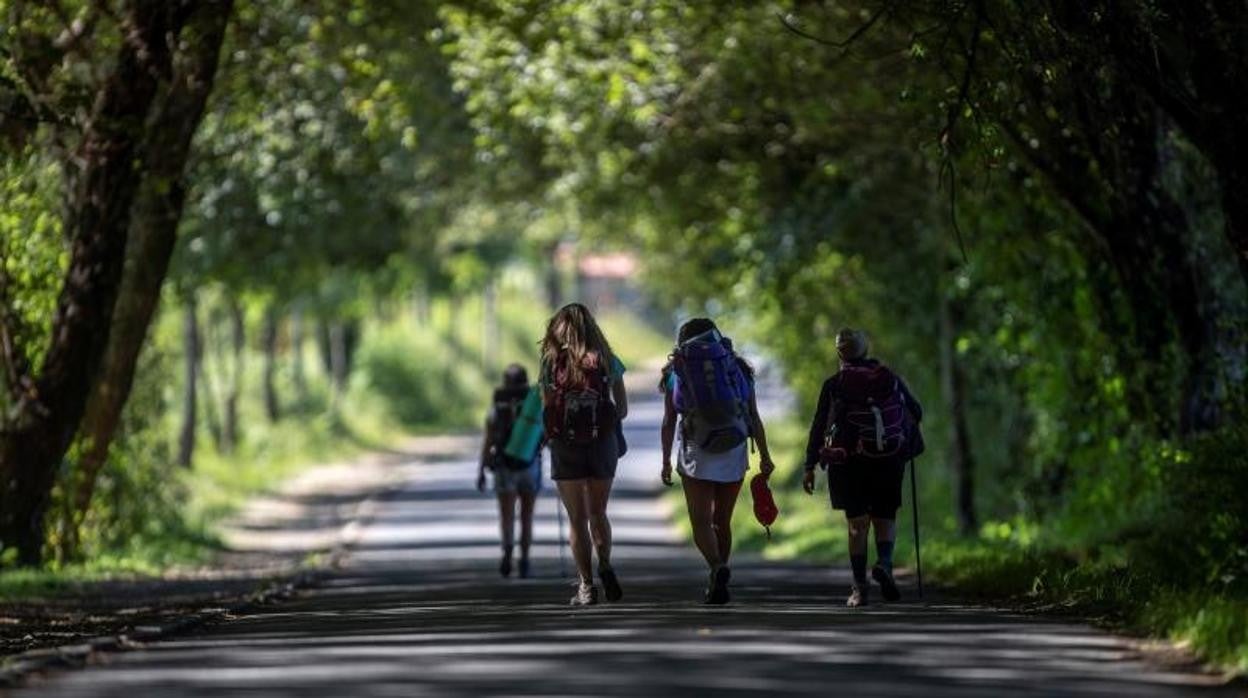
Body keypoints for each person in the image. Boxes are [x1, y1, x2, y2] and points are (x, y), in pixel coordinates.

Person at [802, 328, 922, 607]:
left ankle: (859, 588)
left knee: (857, 525)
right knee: (885, 517)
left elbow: (819, 426)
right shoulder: (888, 378)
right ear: (865, 351)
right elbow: (917, 412)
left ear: (839, 353)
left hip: (848, 461)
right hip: (888, 457)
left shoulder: (834, 384)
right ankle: (885, 564)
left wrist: (810, 465)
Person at [659, 318, 775, 605]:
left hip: (696, 450)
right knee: (722, 520)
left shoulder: (679, 370)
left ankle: (716, 568)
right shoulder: (738, 369)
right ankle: (719, 579)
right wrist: (765, 455)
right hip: (734, 449)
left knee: (700, 522)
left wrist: (665, 460)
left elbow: (669, 420)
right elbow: (754, 417)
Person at [539, 303, 628, 606]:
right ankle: (604, 563)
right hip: (603, 445)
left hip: (566, 447)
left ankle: (586, 587)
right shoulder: (607, 359)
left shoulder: (552, 362)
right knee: (598, 512)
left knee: (576, 519)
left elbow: (548, 407)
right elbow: (623, 409)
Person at [477, 364, 542, 579]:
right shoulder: (534, 405)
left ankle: (507, 553)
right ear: (526, 382)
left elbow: (488, 441)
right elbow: (545, 434)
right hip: (530, 465)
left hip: (504, 466)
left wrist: (481, 470)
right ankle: (524, 560)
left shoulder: (497, 407)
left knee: (506, 515)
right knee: (527, 515)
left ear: (504, 382)